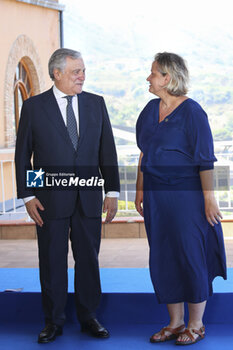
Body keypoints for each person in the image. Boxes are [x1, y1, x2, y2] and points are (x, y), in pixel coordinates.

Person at [15, 48, 120, 344]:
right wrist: (28, 195)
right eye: (76, 72)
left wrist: (111, 191)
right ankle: (54, 321)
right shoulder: (34, 108)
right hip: (49, 201)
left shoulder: (96, 104)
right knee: (51, 261)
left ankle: (89, 317)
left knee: (88, 259)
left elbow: (107, 151)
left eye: (84, 71)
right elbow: (26, 157)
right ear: (57, 73)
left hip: (88, 199)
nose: (82, 76)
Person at [135, 52, 226, 345]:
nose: (148, 78)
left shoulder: (193, 112)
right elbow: (144, 153)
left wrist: (209, 199)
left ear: (168, 78)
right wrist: (139, 189)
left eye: (153, 73)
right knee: (163, 256)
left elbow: (205, 160)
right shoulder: (149, 110)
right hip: (156, 197)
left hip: (187, 197)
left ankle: (196, 324)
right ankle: (175, 323)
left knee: (190, 254)